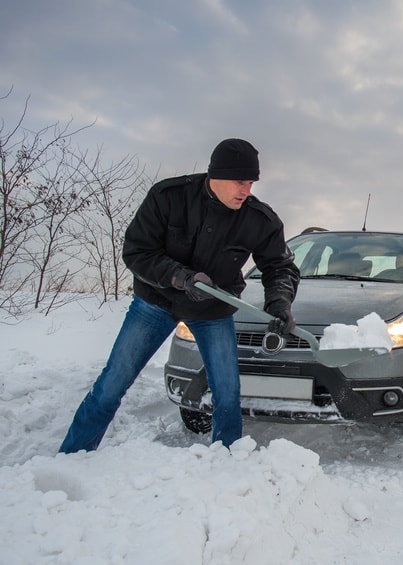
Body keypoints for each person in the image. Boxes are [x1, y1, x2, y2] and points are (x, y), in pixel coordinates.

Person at [59, 138, 300, 453]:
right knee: (112, 383)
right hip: (156, 303)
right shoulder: (168, 197)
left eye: (251, 182)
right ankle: (73, 455)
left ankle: (228, 461)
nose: (246, 190)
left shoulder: (259, 219)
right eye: (239, 181)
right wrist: (178, 276)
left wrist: (279, 303)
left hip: (213, 310)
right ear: (216, 175)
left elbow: (280, 267)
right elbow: (137, 251)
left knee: (227, 394)